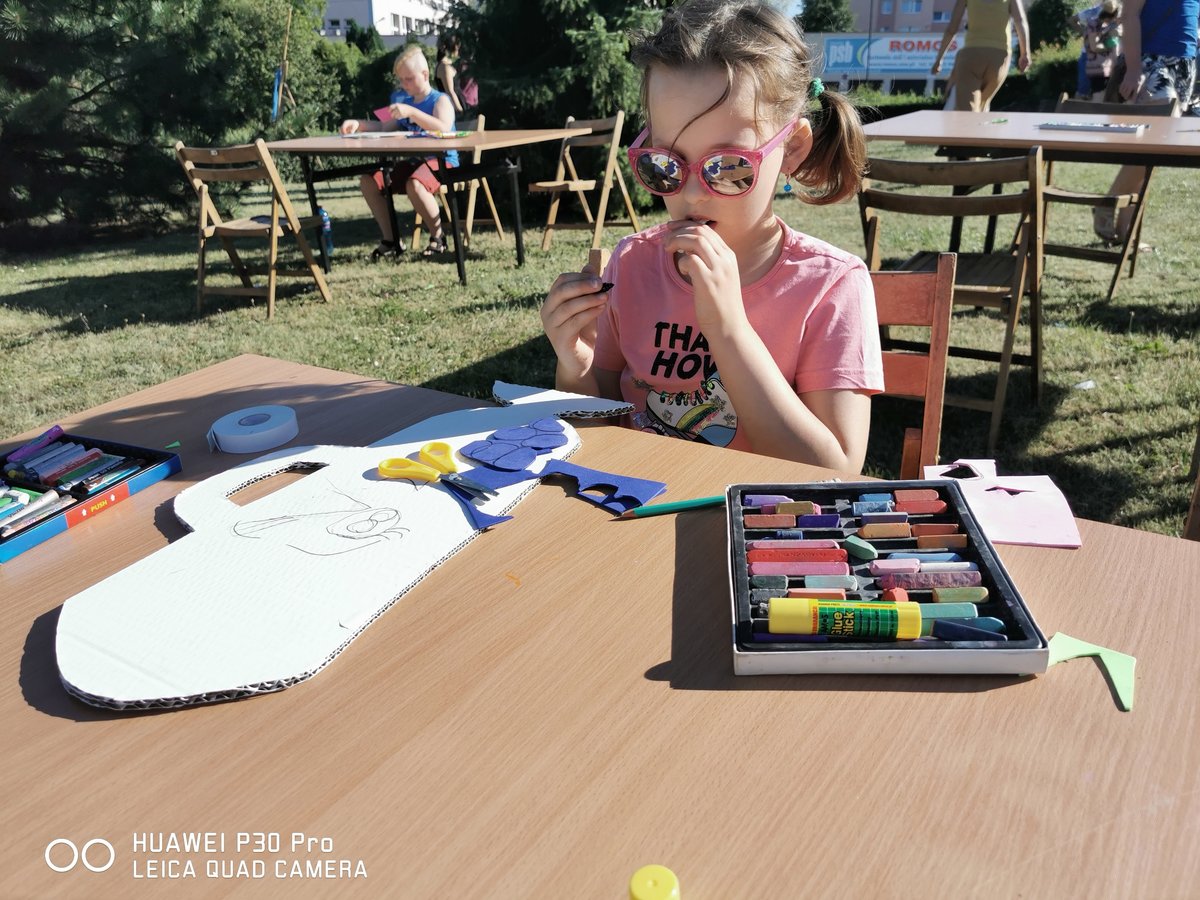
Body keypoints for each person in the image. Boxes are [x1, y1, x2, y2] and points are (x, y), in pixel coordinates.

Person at [539, 0, 883, 471]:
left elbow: (834, 472)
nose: (693, 193)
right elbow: (596, 427)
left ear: (791, 149)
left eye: (727, 167)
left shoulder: (832, 286)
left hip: (748, 514)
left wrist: (728, 329)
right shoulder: (633, 262)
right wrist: (575, 367)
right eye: (665, 164)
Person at [340, 45, 458, 259]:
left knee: (415, 184)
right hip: (414, 163)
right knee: (369, 181)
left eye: (409, 79)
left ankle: (438, 238)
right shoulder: (403, 102)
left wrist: (412, 113)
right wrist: (358, 124)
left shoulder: (440, 100)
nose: (405, 85)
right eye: (401, 80)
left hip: (442, 161)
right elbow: (383, 127)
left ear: (425, 75)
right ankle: (391, 240)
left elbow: (444, 129)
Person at [1097, 0, 1198, 241]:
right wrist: (1134, 70)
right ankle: (1107, 203)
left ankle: (1125, 231)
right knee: (1160, 141)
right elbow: (1129, 15)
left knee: (1149, 152)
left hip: (1184, 64)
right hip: (1153, 62)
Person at [931, 0, 1032, 112]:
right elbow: (1020, 21)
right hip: (999, 58)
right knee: (983, 105)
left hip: (971, 55)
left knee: (966, 112)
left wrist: (939, 60)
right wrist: (1025, 53)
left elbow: (951, 29)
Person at [1070, 0, 1122, 99]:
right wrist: (1110, 44)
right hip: (1096, 64)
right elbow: (1094, 47)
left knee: (1106, 95)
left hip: (1108, 64)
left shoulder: (1113, 22)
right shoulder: (1094, 20)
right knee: (1087, 93)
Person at [435, 33, 479, 117]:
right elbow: (450, 92)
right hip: (454, 108)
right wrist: (461, 111)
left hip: (459, 104)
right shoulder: (444, 67)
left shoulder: (447, 65)